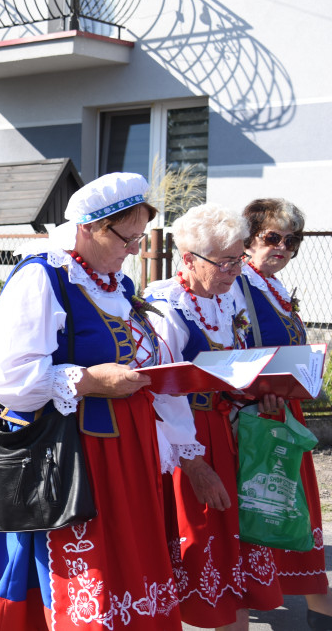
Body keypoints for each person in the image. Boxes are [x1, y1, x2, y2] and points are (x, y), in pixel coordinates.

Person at [0, 173, 196, 630]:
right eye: (127, 238)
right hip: (69, 455)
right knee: (74, 584)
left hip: (122, 451)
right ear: (88, 228)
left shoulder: (116, 285)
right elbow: (6, 377)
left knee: (127, 568)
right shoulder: (42, 278)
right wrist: (85, 380)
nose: (133, 249)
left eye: (139, 238)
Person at [144, 203, 282, 630]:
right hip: (181, 440)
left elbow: (235, 368)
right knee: (198, 541)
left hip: (223, 429)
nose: (235, 271)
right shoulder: (164, 306)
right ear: (188, 259)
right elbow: (159, 396)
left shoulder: (223, 298)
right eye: (225, 262)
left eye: (239, 259)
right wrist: (194, 462)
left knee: (227, 545)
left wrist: (260, 395)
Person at [240, 198, 332, 630]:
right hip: (253, 411)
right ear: (248, 237)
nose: (282, 248)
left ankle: (316, 603)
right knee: (270, 502)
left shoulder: (271, 287)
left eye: (291, 241)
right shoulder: (236, 282)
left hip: (282, 408)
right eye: (272, 237)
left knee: (291, 506)